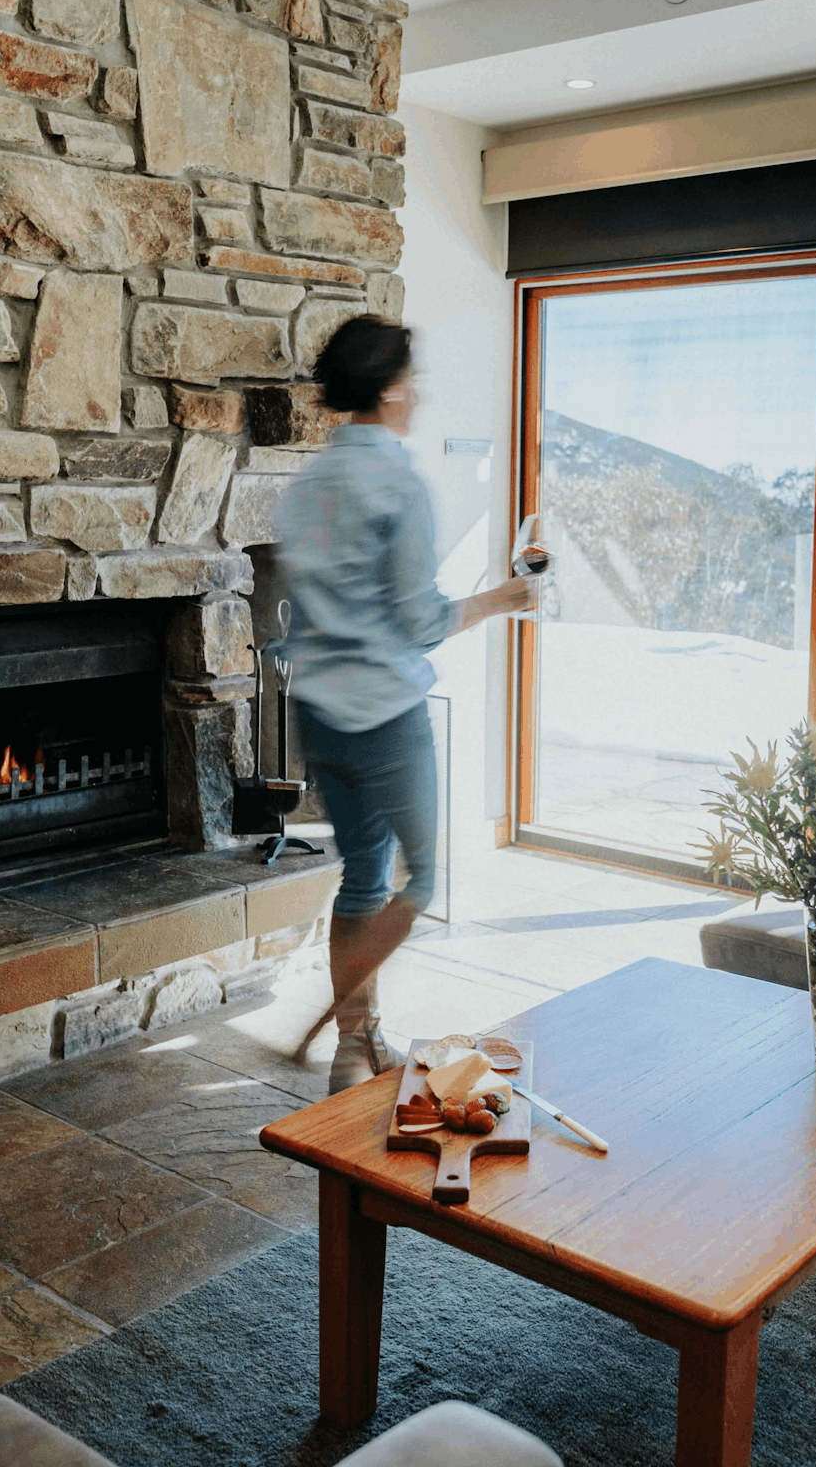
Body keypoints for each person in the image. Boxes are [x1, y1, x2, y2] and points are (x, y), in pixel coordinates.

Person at [278, 316, 537, 1092]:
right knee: (419, 880)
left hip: (317, 711)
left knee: (361, 877)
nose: (418, 396)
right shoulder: (397, 483)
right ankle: (330, 1032)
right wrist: (504, 599)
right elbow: (419, 621)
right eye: (411, 382)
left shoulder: (305, 485)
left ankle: (353, 1048)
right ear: (389, 391)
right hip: (386, 717)